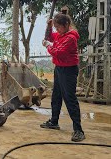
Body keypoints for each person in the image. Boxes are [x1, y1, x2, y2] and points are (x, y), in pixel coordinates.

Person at [40, 13, 85, 142]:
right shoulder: (61, 35)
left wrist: (48, 45)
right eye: (55, 27)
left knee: (70, 99)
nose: (57, 30)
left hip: (68, 70)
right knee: (56, 96)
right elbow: (50, 36)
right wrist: (48, 28)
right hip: (59, 68)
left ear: (66, 25)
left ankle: (78, 130)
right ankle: (54, 122)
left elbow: (58, 52)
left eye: (58, 27)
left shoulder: (71, 38)